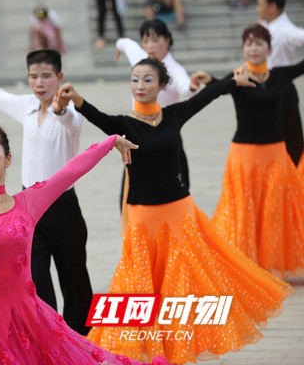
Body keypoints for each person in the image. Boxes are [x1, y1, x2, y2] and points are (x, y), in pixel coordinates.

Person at [58, 58, 292, 364]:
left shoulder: (173, 116)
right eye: (135, 80)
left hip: (180, 213)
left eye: (147, 80)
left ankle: (180, 345)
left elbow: (205, 97)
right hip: (144, 217)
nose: (140, 86)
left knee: (185, 283)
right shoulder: (123, 124)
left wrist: (232, 82)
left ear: (161, 85)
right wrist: (77, 100)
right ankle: (146, 346)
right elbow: (97, 117)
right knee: (141, 285)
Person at [0, 123, 168, 365]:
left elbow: (71, 171)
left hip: (26, 315)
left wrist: (111, 141)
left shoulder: (29, 203)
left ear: (8, 159)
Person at [0, 50, 92, 335]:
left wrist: (60, 110)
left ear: (59, 77)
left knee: (74, 276)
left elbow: (68, 121)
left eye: (47, 75)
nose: (40, 82)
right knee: (35, 278)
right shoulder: (26, 105)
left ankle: (81, 337)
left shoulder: (71, 114)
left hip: (62, 207)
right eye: (34, 76)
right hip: (28, 209)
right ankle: (48, 335)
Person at [191, 24, 304, 278]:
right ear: (243, 48)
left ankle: (270, 262)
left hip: (276, 155)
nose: (254, 48)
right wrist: (207, 78)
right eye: (249, 44)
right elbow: (216, 86)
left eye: (259, 43)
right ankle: (246, 264)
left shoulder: (279, 76)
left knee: (274, 210)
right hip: (245, 157)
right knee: (245, 212)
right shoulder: (239, 76)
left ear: (269, 48)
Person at [115, 19, 195, 202]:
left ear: (167, 40)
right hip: (137, 133)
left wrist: (192, 86)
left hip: (166, 135)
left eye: (155, 40)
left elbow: (185, 87)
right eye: (146, 40)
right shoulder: (140, 60)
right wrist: (118, 48)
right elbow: (125, 43)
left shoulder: (174, 70)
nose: (149, 46)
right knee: (131, 192)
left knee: (175, 191)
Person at [256, 0, 304, 168]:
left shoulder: (285, 30)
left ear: (273, 7)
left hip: (283, 89)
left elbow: (301, 36)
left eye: (260, 5)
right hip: (266, 87)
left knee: (290, 142)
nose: (257, 8)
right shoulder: (266, 25)